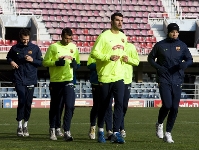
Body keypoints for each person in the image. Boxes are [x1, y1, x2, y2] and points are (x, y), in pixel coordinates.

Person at [148, 23, 193, 143]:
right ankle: (159, 123)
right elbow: (150, 58)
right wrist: (158, 67)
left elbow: (190, 59)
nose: (174, 33)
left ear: (178, 33)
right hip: (164, 78)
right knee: (167, 105)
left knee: (174, 108)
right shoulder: (160, 45)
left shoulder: (182, 45)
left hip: (177, 79)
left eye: (176, 32)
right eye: (172, 31)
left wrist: (185, 64)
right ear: (168, 32)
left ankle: (168, 133)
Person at [90, 12, 128, 144]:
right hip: (105, 77)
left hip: (119, 76)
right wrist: (108, 57)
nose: (120, 22)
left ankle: (116, 132)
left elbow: (123, 52)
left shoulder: (123, 37)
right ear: (112, 21)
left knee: (119, 104)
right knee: (104, 105)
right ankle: (100, 130)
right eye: (117, 20)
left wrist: (124, 58)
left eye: (121, 20)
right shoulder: (104, 36)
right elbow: (94, 52)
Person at [43, 27, 78, 141]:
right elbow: (45, 62)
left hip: (68, 80)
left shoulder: (73, 47)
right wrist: (56, 63)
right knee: (55, 107)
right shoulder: (54, 47)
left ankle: (67, 130)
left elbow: (76, 62)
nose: (68, 41)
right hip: (56, 81)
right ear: (61, 36)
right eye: (66, 38)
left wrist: (75, 65)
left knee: (70, 106)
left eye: (70, 38)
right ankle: (52, 128)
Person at [6, 28, 43, 137]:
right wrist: (12, 61)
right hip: (19, 78)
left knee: (28, 103)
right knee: (21, 100)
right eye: (23, 39)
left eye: (27, 39)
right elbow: (8, 57)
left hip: (31, 79)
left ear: (29, 38)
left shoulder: (35, 48)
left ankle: (25, 125)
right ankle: (19, 125)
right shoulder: (15, 48)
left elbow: (41, 62)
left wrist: (33, 60)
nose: (25, 41)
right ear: (20, 38)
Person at [55, 48, 80, 137]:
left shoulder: (74, 49)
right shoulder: (56, 49)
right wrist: (59, 61)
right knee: (59, 106)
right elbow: (48, 64)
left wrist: (74, 64)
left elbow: (78, 66)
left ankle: (66, 127)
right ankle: (57, 127)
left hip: (71, 82)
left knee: (70, 106)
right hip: (59, 82)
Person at [87, 55, 113, 140]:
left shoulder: (112, 51)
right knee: (97, 106)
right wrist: (103, 62)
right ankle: (93, 127)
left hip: (109, 81)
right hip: (96, 83)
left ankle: (109, 130)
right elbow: (90, 65)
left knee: (108, 106)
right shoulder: (95, 53)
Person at [119, 34, 140, 138]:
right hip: (113, 78)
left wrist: (129, 60)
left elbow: (137, 62)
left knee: (123, 106)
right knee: (113, 105)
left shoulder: (130, 47)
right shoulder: (113, 46)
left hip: (126, 80)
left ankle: (119, 126)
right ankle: (119, 128)